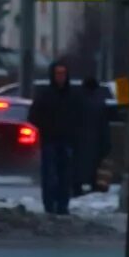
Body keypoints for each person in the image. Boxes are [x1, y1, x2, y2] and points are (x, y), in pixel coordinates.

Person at [28, 61, 80, 216]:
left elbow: (79, 117)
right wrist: (47, 126)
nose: (61, 77)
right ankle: (50, 205)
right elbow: (33, 116)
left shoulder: (72, 95)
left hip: (66, 141)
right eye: (58, 73)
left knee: (65, 176)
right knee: (50, 176)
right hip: (50, 140)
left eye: (63, 73)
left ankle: (63, 206)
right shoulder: (45, 94)